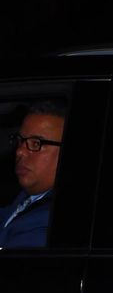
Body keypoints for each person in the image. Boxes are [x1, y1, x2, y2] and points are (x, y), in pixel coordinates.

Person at [0, 99, 65, 248]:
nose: (20, 151)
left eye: (36, 143)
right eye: (20, 141)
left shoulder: (46, 224)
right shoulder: (33, 196)